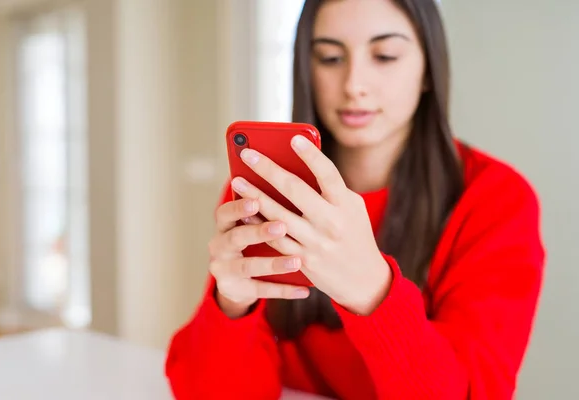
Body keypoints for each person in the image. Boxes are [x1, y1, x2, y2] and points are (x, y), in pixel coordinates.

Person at [165, 0, 545, 399]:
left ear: (428, 69)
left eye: (385, 55)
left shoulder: (496, 199)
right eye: (330, 58)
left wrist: (372, 292)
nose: (353, 85)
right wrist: (232, 305)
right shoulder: (267, 190)